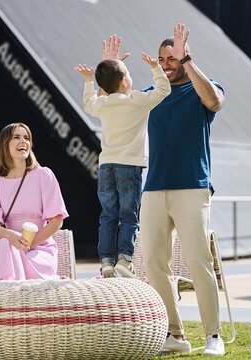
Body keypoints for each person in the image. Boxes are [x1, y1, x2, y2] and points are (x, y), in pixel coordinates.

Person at [103, 24, 226, 356]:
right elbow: (112, 105)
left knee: (199, 261)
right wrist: (109, 71)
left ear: (184, 58)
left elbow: (214, 102)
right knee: (155, 265)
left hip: (193, 187)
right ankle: (176, 334)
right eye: (161, 59)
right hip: (154, 188)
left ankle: (213, 336)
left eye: (171, 58)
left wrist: (188, 61)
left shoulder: (202, 88)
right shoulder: (151, 95)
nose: (166, 64)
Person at [73, 43, 170, 278]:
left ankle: (106, 260)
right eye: (127, 73)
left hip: (106, 166)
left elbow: (89, 103)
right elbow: (164, 90)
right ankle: (124, 260)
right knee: (129, 215)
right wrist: (156, 68)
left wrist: (89, 81)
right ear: (125, 81)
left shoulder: (103, 104)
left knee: (108, 214)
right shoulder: (137, 100)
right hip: (130, 165)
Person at [0, 122, 69, 280]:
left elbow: (57, 221)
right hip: (9, 246)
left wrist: (29, 244)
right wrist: (11, 236)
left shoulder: (44, 175)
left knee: (7, 257)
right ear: (4, 145)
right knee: (2, 246)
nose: (24, 142)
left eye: (27, 138)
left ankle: (5, 293)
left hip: (39, 249)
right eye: (17, 137)